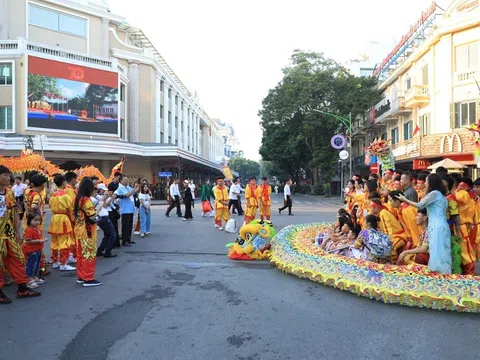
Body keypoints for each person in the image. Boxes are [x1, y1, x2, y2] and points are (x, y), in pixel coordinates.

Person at [0, 165, 41, 304]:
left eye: (8, 174)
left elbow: (15, 213)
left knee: (17, 258)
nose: (8, 177)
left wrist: (17, 231)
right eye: (4, 175)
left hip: (9, 232)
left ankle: (22, 287)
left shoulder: (9, 193)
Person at [398, 173, 452, 274]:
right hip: (442, 225)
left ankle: (437, 273)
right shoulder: (442, 196)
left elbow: (420, 205)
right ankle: (444, 274)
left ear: (431, 182)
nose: (426, 184)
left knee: (436, 250)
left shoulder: (434, 193)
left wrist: (404, 200)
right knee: (442, 250)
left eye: (427, 181)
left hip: (436, 226)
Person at [74, 178, 102, 287]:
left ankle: (81, 276)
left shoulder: (77, 199)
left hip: (79, 229)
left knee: (81, 254)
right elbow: (92, 216)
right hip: (88, 231)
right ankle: (88, 278)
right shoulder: (86, 200)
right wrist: (98, 208)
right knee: (89, 254)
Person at [48, 175, 76, 271]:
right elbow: (70, 207)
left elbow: (51, 206)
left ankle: (55, 261)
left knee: (55, 241)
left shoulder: (53, 195)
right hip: (63, 218)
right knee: (64, 240)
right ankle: (63, 263)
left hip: (54, 217)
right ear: (63, 182)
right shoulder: (65, 195)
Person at [455, 177, 476, 275]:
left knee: (465, 251)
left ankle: (469, 273)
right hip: (460, 226)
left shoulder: (463, 193)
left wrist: (455, 192)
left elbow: (460, 199)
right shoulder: (466, 194)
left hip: (462, 226)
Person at [21, 212, 47, 289]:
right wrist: (40, 241)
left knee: (37, 264)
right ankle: (29, 279)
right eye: (35, 220)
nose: (37, 222)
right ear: (29, 220)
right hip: (32, 251)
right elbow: (28, 241)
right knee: (31, 265)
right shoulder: (29, 230)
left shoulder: (37, 229)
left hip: (38, 250)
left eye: (39, 220)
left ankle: (35, 277)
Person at [115, 177, 140, 246]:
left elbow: (134, 192)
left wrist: (137, 187)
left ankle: (128, 239)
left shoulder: (127, 187)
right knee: (125, 226)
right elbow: (127, 195)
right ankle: (124, 240)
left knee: (129, 225)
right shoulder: (120, 188)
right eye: (125, 180)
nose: (127, 181)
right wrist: (134, 188)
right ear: (121, 181)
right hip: (125, 210)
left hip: (131, 209)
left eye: (127, 180)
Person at [95, 184, 117, 258]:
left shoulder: (98, 197)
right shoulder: (97, 197)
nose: (105, 191)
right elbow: (104, 205)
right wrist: (107, 198)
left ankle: (100, 250)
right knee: (112, 235)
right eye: (103, 190)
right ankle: (108, 251)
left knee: (107, 235)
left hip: (103, 217)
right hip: (102, 217)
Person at [107, 172, 122, 248]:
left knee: (119, 222)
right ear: (115, 177)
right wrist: (114, 198)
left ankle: (119, 235)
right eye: (119, 178)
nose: (119, 179)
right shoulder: (111, 185)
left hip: (119, 204)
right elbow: (110, 194)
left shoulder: (120, 185)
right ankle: (114, 240)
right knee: (114, 224)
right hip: (113, 204)